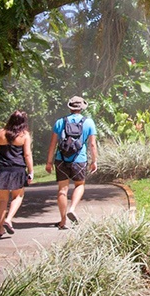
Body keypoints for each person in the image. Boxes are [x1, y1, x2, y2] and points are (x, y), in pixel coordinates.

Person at [46, 95, 97, 229]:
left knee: (62, 189)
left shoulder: (59, 122)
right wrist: (94, 161)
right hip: (79, 159)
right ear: (82, 108)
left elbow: (52, 144)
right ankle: (72, 209)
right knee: (79, 185)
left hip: (61, 158)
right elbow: (92, 145)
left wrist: (49, 162)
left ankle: (62, 220)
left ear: (70, 107)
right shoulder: (88, 122)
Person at [0, 110, 34, 237]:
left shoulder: (0, 134)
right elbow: (27, 154)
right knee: (18, 196)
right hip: (17, 169)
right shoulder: (24, 135)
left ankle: (0, 229)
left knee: (2, 200)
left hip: (2, 169)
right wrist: (31, 171)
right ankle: (8, 220)